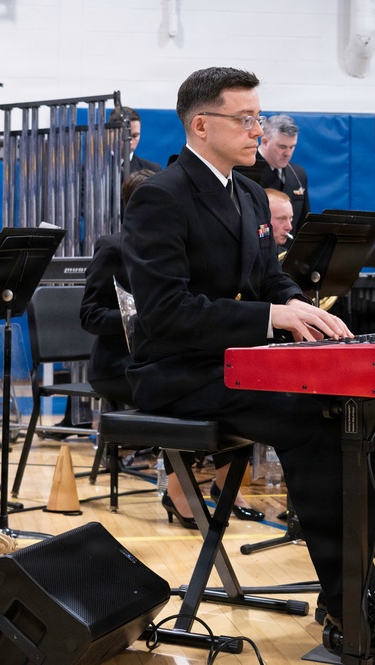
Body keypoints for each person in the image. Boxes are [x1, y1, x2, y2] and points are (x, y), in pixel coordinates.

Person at [121, 66, 375, 658]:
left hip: (243, 366)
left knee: (370, 407)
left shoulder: (251, 192)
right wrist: (269, 318)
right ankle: (346, 601)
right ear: (202, 124)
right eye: (246, 119)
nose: (257, 130)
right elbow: (165, 313)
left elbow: (270, 275)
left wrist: (293, 303)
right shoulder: (162, 196)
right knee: (312, 422)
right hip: (180, 374)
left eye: (259, 117)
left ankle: (364, 580)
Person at [80, 169, 264, 527]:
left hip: (167, 353)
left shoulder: (182, 247)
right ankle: (181, 490)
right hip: (119, 365)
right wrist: (140, 320)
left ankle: (224, 485)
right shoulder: (113, 245)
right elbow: (89, 315)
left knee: (223, 377)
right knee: (183, 385)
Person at [235, 114, 310, 238]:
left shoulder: (298, 174)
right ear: (265, 142)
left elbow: (303, 220)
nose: (288, 153)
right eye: (282, 147)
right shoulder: (243, 171)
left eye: (292, 147)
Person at [110, 107, 161, 175]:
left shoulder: (152, 170)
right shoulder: (94, 168)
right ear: (110, 133)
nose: (130, 141)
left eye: (135, 136)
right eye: (123, 135)